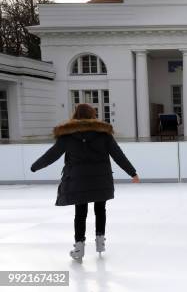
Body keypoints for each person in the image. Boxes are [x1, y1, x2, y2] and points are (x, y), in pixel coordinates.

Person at [30, 104, 140, 260]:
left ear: (75, 115)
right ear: (92, 115)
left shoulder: (67, 135)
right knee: (100, 209)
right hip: (101, 179)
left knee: (80, 213)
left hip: (77, 180)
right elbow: (118, 155)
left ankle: (79, 248)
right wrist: (132, 173)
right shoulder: (104, 134)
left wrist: (35, 167)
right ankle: (100, 242)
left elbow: (51, 155)